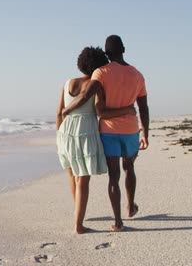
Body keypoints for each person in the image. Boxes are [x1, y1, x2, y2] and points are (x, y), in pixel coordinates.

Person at [62, 35, 150, 232]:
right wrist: (145, 133)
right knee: (129, 168)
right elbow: (143, 107)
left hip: (108, 130)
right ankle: (130, 206)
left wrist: (67, 110)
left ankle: (118, 222)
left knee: (113, 176)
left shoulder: (101, 73)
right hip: (130, 130)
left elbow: (85, 96)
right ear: (124, 49)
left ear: (107, 53)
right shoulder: (138, 75)